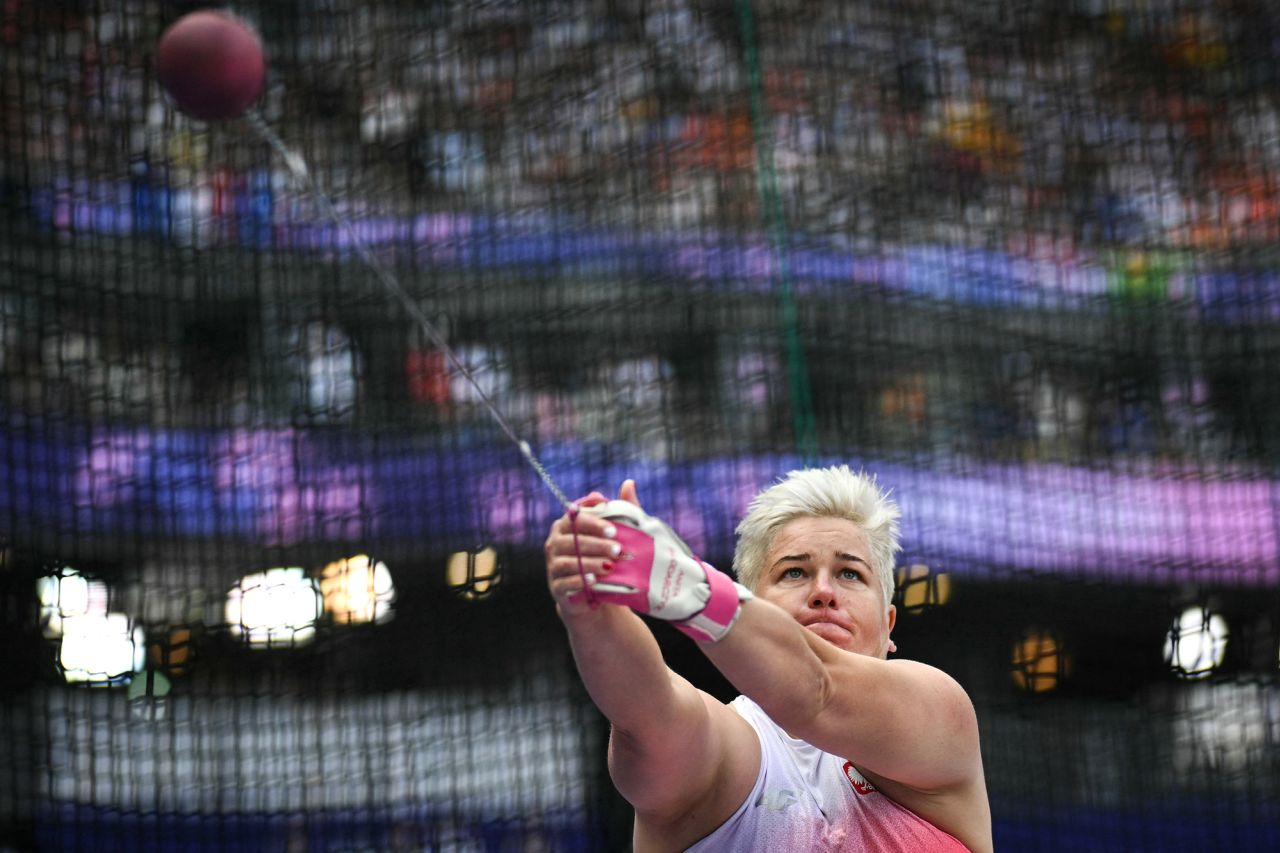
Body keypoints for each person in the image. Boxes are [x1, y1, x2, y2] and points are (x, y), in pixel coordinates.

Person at [544, 466, 992, 852]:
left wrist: (693, 590)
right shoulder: (723, 747)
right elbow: (646, 715)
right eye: (793, 571)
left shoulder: (939, 717)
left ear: (889, 623)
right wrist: (587, 612)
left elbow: (818, 691)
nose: (823, 592)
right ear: (752, 603)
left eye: (850, 573)